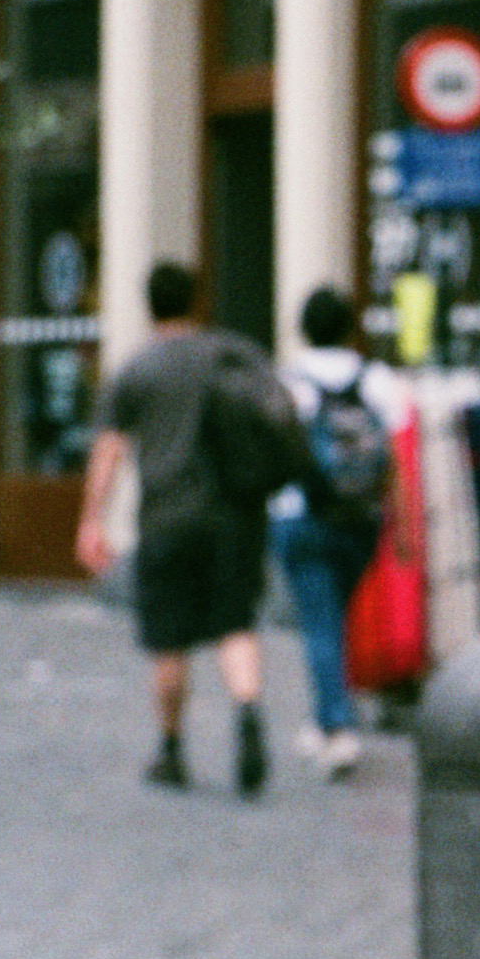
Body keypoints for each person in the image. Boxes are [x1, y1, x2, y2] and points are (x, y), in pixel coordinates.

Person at [74, 262, 302, 796]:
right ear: (198, 301)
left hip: (166, 518)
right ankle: (247, 710)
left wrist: (91, 522)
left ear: (148, 306)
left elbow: (108, 452)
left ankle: (172, 750)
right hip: (234, 516)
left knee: (169, 639)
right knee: (236, 622)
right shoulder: (234, 354)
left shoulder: (136, 370)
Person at [270, 287, 401, 779]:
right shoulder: (378, 380)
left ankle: (338, 726)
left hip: (301, 517)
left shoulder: (289, 382)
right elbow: (394, 464)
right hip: (360, 522)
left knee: (320, 622)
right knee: (333, 619)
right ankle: (324, 717)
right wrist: (402, 526)